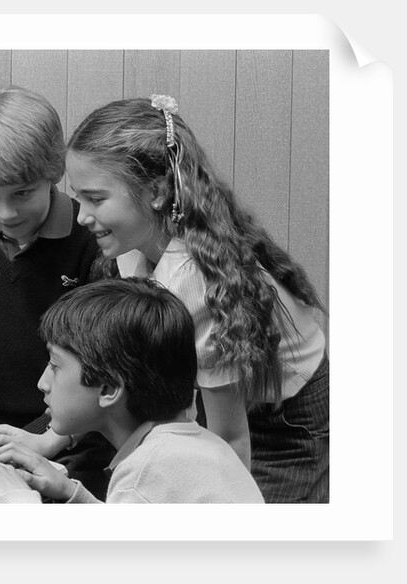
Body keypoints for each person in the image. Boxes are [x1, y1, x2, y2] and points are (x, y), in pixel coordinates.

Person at [60, 95, 329, 503]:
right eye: (77, 197)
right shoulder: (132, 247)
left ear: (155, 191)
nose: (81, 216)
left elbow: (230, 443)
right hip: (221, 404)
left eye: (96, 199)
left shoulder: (192, 281)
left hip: (284, 423)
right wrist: (49, 441)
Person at [0, 85, 116, 498]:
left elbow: (103, 368)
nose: (6, 212)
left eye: (22, 193)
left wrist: (38, 440)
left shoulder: (92, 240)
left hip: (80, 444)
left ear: (53, 174)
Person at [0, 278, 264, 504]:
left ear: (108, 389)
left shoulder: (146, 472)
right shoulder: (198, 447)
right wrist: (72, 493)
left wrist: (19, 502)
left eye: (54, 365)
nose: (43, 383)